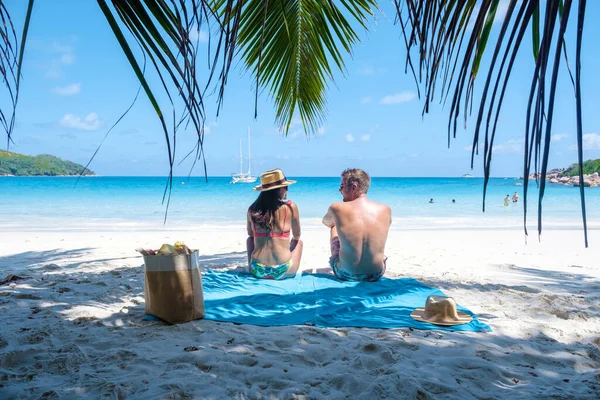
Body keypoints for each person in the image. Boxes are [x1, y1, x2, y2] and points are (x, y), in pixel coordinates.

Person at [322, 168, 391, 282]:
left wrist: (342, 220)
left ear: (354, 187)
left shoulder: (337, 207)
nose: (340, 189)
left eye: (342, 186)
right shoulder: (385, 209)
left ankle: (345, 262)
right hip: (376, 274)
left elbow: (326, 222)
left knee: (334, 226)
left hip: (346, 274)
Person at [246, 169, 303, 280]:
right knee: (299, 242)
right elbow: (297, 235)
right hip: (282, 270)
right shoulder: (290, 207)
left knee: (250, 239)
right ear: (279, 189)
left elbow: (250, 235)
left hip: (257, 270)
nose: (287, 189)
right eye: (286, 187)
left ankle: (251, 265)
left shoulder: (252, 210)